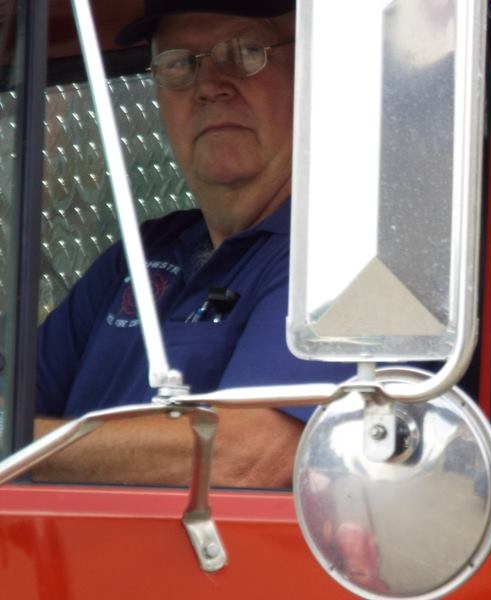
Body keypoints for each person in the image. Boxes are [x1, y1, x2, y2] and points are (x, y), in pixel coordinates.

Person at [33, 0, 353, 488]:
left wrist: (23, 446)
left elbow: (252, 457)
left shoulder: (348, 255)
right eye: (179, 64)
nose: (208, 86)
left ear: (315, 72)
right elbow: (15, 403)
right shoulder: (140, 255)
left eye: (245, 52)